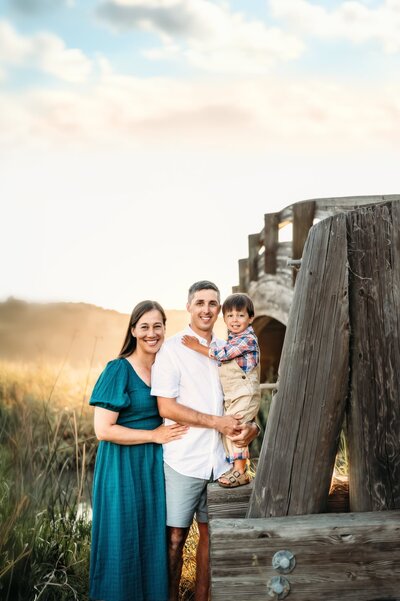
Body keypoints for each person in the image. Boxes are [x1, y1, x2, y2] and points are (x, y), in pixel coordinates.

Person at [151, 281, 259, 601]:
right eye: (200, 303)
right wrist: (218, 423)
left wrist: (250, 425)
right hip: (184, 458)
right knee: (175, 538)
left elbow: (243, 396)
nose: (207, 309)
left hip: (220, 460)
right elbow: (166, 407)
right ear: (188, 307)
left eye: (213, 303)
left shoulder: (230, 348)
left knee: (213, 537)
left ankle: (203, 597)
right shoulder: (172, 349)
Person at [89, 300, 188, 601]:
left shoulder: (165, 367)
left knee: (150, 538)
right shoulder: (119, 369)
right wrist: (154, 435)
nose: (151, 333)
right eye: (144, 326)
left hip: (151, 465)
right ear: (133, 330)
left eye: (158, 326)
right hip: (121, 465)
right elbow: (103, 430)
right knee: (123, 537)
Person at [181, 292, 260, 488]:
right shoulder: (233, 339)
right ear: (224, 318)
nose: (235, 320)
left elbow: (223, 354)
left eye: (241, 315)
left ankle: (240, 471)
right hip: (235, 394)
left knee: (236, 427)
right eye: (230, 315)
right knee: (232, 428)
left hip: (244, 392)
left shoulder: (247, 339)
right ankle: (237, 467)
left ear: (250, 318)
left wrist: (196, 346)